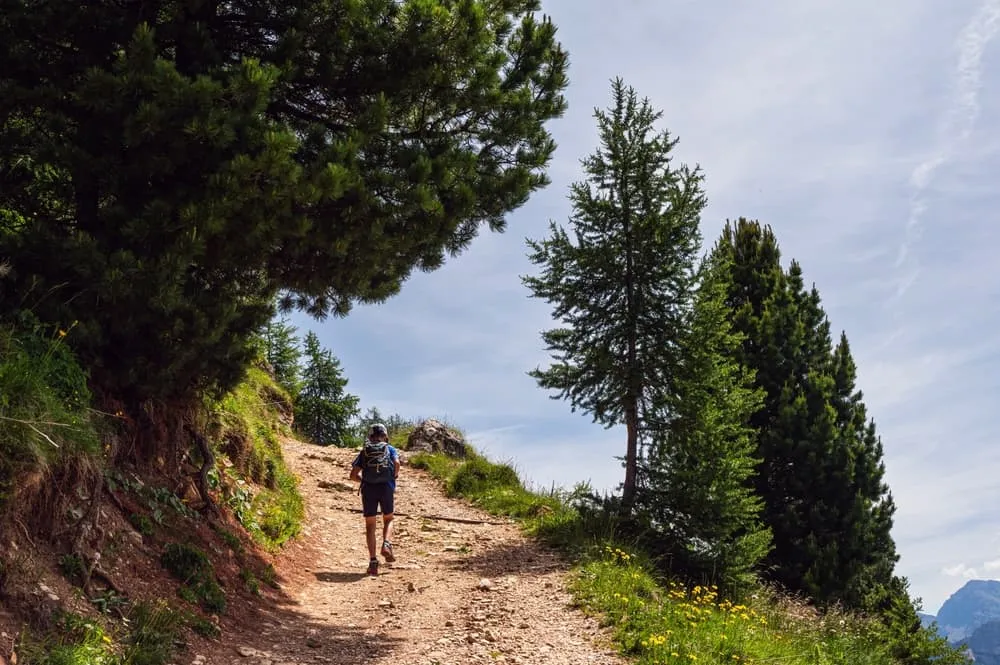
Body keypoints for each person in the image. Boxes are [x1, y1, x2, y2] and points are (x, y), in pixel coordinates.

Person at [349, 423, 400, 576]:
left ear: (370, 436)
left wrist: (363, 481)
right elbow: (397, 463)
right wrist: (394, 476)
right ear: (385, 436)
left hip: (369, 489)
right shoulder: (390, 449)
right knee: (389, 518)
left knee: (370, 525)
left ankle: (373, 562)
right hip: (386, 487)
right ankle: (386, 543)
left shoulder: (365, 451)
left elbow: (353, 475)